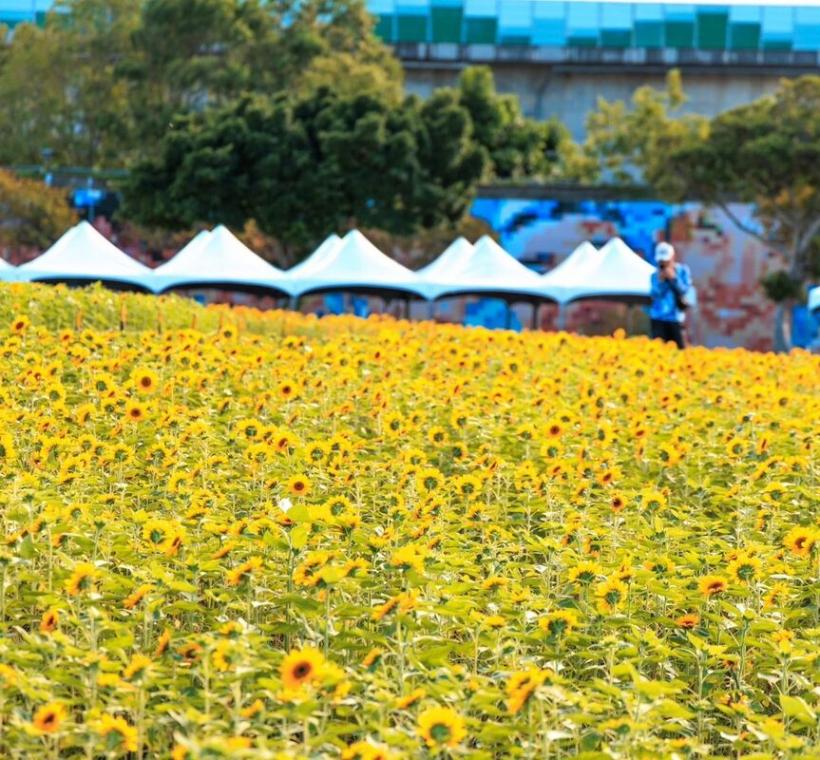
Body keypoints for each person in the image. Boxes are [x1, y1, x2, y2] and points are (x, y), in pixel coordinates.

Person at [649, 242, 692, 349]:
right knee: (659, 350)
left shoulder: (682, 271)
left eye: (666, 260)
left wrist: (673, 278)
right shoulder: (655, 275)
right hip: (658, 318)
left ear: (672, 257)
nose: (663, 263)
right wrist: (661, 281)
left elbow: (685, 291)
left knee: (681, 350)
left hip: (676, 318)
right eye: (661, 261)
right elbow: (655, 295)